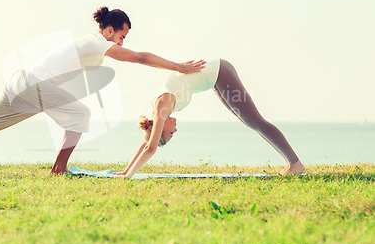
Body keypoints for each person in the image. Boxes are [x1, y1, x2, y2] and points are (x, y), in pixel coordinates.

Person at [0, 6, 205, 175]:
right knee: (81, 115)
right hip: (35, 87)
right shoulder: (98, 44)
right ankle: (58, 170)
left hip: (21, 80)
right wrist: (179, 67)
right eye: (121, 36)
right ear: (109, 30)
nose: (121, 43)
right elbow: (141, 57)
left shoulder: (89, 42)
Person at [113, 58, 305, 178]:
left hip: (219, 73)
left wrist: (129, 175)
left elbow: (150, 147)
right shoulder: (158, 113)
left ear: (161, 127)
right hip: (215, 77)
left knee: (254, 121)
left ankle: (295, 164)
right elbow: (146, 141)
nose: (175, 129)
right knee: (250, 122)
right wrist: (124, 171)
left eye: (171, 133)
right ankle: (293, 163)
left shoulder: (162, 107)